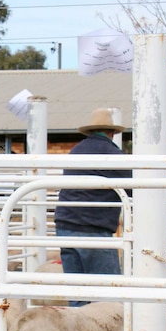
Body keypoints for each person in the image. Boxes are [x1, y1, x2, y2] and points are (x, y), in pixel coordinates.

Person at [53, 107, 132, 307]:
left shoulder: (76, 150)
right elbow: (133, 188)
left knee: (78, 289)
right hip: (92, 226)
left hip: (65, 223)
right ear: (112, 132)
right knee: (107, 292)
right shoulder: (113, 154)